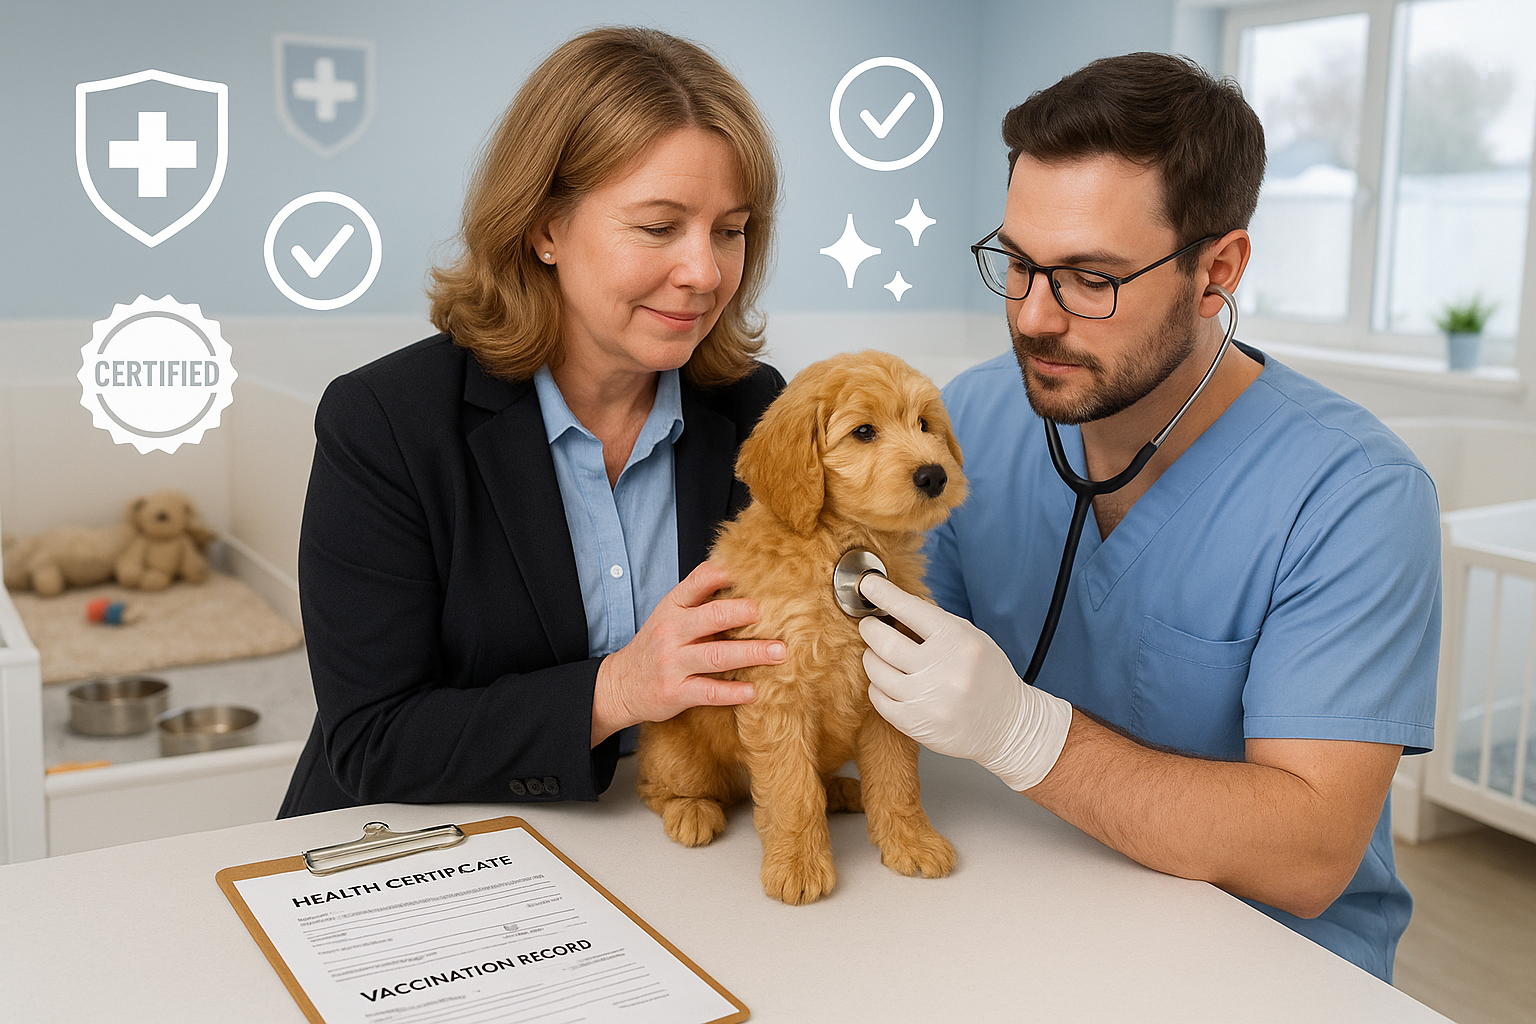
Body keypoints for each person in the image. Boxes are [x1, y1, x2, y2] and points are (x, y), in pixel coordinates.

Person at [857, 53, 1439, 983]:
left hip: (1262, 967)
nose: (1035, 319)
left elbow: (1310, 852)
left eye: (1091, 278)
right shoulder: (966, 422)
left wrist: (1023, 732)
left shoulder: (1354, 494)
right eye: (1016, 264)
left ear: (1219, 270)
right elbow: (901, 675)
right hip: (1019, 908)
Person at [279, 27, 787, 817]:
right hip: (426, 847)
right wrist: (616, 690)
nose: (706, 273)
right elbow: (373, 739)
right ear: (544, 226)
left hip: (671, 832)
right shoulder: (384, 424)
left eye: (730, 230)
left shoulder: (756, 411)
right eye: (658, 227)